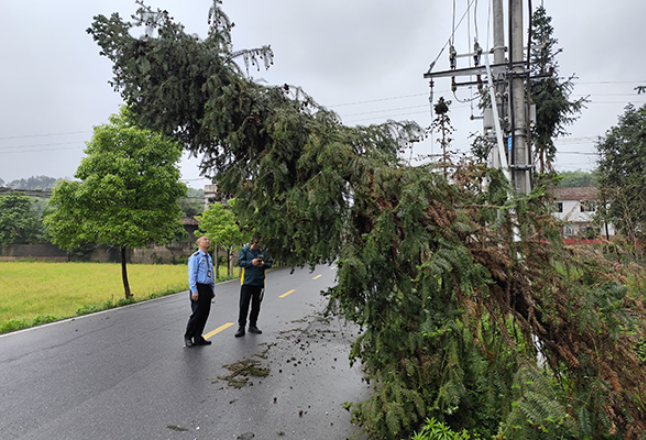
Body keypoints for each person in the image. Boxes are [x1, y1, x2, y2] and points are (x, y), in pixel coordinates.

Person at [235, 235, 273, 337]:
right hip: (247, 281)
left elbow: (270, 263)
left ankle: (253, 325)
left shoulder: (265, 251)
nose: (258, 245)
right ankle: (241, 327)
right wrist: (251, 262)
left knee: (256, 305)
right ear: (253, 242)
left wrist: (263, 264)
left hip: (259, 282)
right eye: (256, 243)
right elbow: (240, 262)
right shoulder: (245, 250)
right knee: (244, 305)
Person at [184, 236, 215, 347]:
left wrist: (212, 289)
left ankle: (198, 336)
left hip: (207, 288)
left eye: (208, 239)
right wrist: (194, 290)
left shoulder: (208, 257)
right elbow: (192, 275)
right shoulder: (195, 257)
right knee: (197, 314)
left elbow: (211, 274)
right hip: (198, 287)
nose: (208, 241)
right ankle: (188, 336)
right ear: (199, 243)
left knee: (205, 314)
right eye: (205, 239)